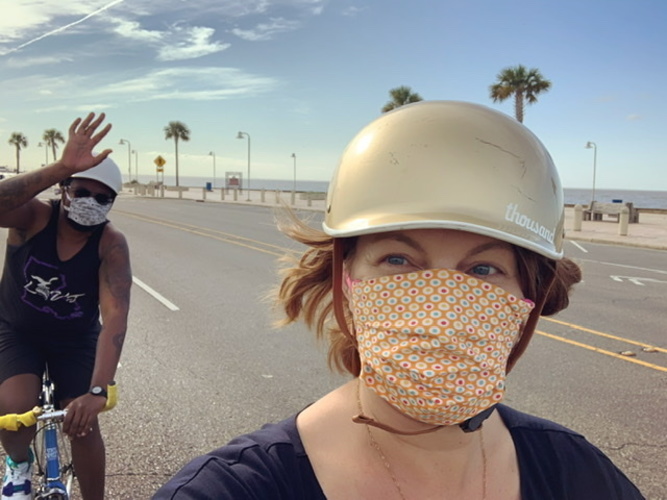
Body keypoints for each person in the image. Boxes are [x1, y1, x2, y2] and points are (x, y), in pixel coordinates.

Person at [153, 101, 644, 499]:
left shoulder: (577, 473)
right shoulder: (236, 489)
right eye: (398, 260)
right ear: (346, 280)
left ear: (526, 301)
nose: (442, 306)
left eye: (482, 269)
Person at [0, 113, 131, 500]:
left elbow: (115, 319)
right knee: (15, 411)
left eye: (102, 198)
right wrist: (61, 166)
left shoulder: (111, 244)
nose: (91, 203)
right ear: (64, 188)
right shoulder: (33, 217)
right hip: (18, 330)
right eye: (82, 191)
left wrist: (97, 390)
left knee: (83, 424)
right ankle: (18, 464)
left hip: (75, 339)